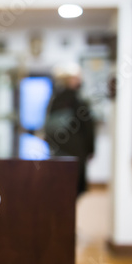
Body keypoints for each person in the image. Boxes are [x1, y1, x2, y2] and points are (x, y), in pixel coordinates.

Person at [45, 63, 95, 195]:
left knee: (61, 188)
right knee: (74, 188)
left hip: (58, 151)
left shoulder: (55, 100)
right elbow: (88, 129)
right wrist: (91, 150)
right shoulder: (79, 101)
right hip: (76, 152)